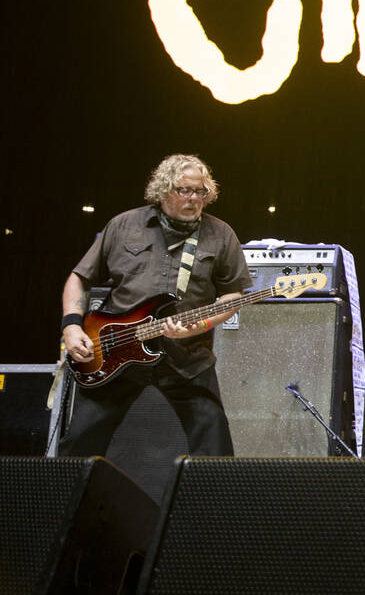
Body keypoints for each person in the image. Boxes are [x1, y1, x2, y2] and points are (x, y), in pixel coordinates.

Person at [59, 153, 252, 458]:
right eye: (184, 191)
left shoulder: (220, 234)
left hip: (186, 360)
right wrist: (71, 326)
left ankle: (214, 504)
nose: (194, 199)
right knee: (79, 446)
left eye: (200, 192)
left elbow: (233, 296)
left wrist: (200, 325)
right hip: (114, 354)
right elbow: (79, 278)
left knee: (215, 452)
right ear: (163, 190)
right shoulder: (124, 225)